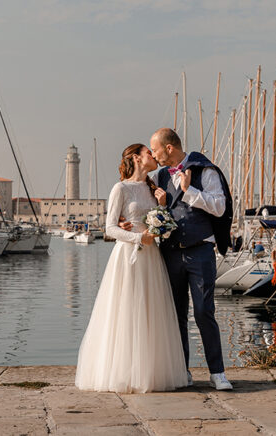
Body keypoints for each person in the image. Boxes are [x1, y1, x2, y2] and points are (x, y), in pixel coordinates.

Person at [74, 143, 188, 393]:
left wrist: (163, 208)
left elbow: (162, 222)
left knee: (151, 312)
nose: (153, 156)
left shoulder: (154, 188)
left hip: (151, 257)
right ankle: (123, 372)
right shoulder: (120, 188)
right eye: (149, 153)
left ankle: (151, 373)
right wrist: (138, 238)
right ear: (136, 158)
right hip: (128, 255)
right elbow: (110, 228)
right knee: (126, 311)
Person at [149, 127, 234, 391]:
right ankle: (181, 371)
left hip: (200, 251)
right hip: (170, 252)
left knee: (203, 311)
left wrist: (189, 191)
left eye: (156, 149)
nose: (154, 155)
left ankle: (217, 372)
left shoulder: (205, 170)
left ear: (169, 148)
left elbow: (220, 208)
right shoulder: (160, 176)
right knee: (176, 315)